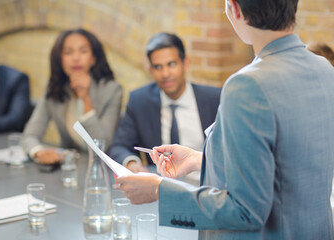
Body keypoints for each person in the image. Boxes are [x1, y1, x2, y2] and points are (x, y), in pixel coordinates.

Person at [117, 0, 334, 239]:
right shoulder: (324, 69)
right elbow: (284, 166)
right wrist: (200, 160)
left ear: (235, 9)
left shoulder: (247, 85)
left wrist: (160, 190)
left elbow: (246, 211)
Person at [109, 32, 221, 173]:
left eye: (171, 64)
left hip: (204, 184)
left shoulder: (214, 99)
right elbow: (119, 146)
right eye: (158, 67)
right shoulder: (140, 101)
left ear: (185, 64)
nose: (165, 74)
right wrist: (132, 163)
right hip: (161, 186)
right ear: (150, 70)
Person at [21, 29, 122, 164]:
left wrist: (86, 99)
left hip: (103, 169)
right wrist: (38, 152)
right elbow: (30, 135)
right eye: (68, 52)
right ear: (60, 59)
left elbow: (101, 147)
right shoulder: (54, 88)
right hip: (69, 167)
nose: (76, 58)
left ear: (93, 58)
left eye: (83, 51)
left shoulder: (111, 90)